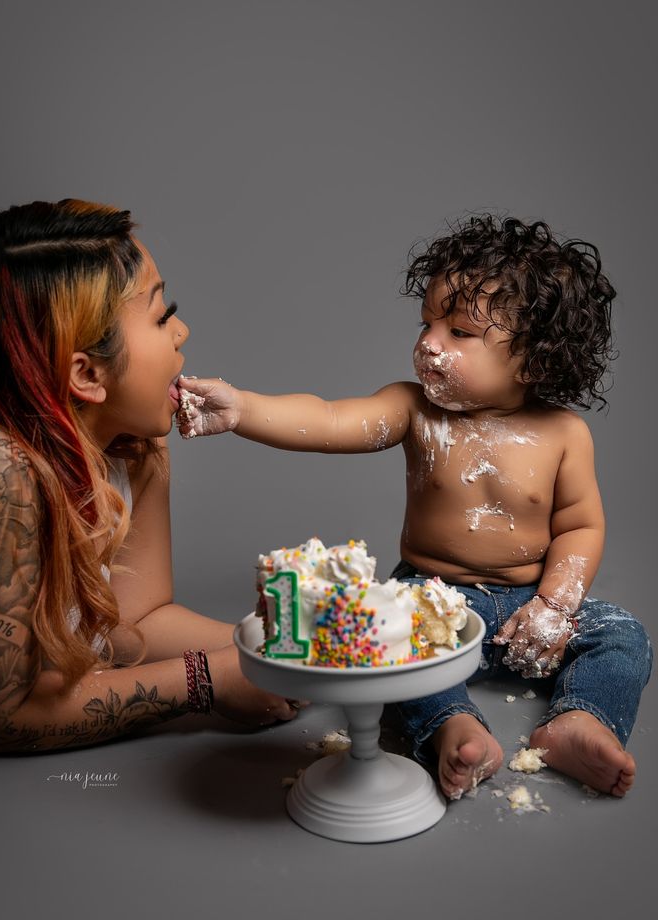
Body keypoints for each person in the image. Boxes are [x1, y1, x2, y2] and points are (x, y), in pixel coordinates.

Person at [177, 214, 652, 798]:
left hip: (531, 601)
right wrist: (242, 409)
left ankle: (579, 720)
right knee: (393, 652)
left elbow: (580, 525)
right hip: (431, 598)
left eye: (459, 332)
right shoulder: (412, 410)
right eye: (427, 323)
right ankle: (454, 727)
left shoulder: (564, 435)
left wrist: (555, 604)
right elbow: (328, 420)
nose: (428, 343)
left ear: (537, 359)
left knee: (623, 635)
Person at [0, 198, 299, 753]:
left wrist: (287, 652)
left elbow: (136, 621)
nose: (182, 331)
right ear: (88, 373)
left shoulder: (135, 451)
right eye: (162, 315)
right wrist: (208, 680)